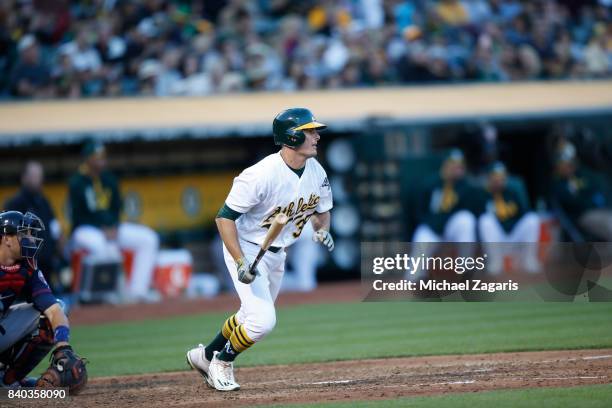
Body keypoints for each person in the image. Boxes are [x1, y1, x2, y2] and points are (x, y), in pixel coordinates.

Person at [186, 108, 334, 391]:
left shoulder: (316, 171)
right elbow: (224, 218)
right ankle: (222, 361)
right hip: (248, 248)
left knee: (248, 316)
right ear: (292, 137)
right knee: (263, 322)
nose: (316, 136)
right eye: (310, 131)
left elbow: (321, 211)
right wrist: (240, 261)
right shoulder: (260, 174)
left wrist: (322, 230)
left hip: (278, 252)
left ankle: (204, 355)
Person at [0, 211, 87, 391]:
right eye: (24, 233)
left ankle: (8, 380)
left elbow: (54, 310)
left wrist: (63, 345)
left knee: (57, 309)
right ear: (7, 239)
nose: (30, 239)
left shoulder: (27, 265)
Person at [68, 140, 160, 302]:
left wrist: (114, 227)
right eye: (97, 157)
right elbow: (77, 216)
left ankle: (137, 291)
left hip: (111, 228)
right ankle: (109, 293)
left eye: (103, 157)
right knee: (103, 246)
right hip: (85, 230)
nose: (101, 160)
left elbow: (117, 208)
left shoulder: (109, 179)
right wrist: (101, 228)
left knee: (149, 239)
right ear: (88, 159)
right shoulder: (77, 182)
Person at [4, 161, 63, 291]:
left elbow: (54, 226)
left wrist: (59, 242)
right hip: (25, 269)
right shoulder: (15, 204)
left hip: (47, 264)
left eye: (39, 176)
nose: (38, 180)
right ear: (24, 178)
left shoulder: (43, 201)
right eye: (34, 176)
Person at [477, 162, 540, 274]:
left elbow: (525, 214)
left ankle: (528, 259)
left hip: (514, 237)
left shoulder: (514, 191)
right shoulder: (482, 194)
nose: (499, 179)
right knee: (485, 220)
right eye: (495, 176)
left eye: (502, 176)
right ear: (489, 178)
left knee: (532, 218)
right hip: (498, 239)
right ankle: (495, 261)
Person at [412, 149, 477, 243]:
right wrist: (432, 224)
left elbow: (470, 210)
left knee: (466, 219)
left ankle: (466, 258)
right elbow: (420, 211)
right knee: (421, 242)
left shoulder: (465, 186)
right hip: (432, 228)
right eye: (452, 164)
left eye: (459, 165)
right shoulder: (431, 184)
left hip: (451, 228)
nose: (456, 168)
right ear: (445, 165)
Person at [553, 143, 612, 241]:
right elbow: (575, 203)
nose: (569, 166)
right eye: (565, 164)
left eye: (570, 163)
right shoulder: (559, 184)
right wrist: (588, 200)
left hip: (600, 210)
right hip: (583, 215)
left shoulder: (581, 175)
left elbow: (594, 190)